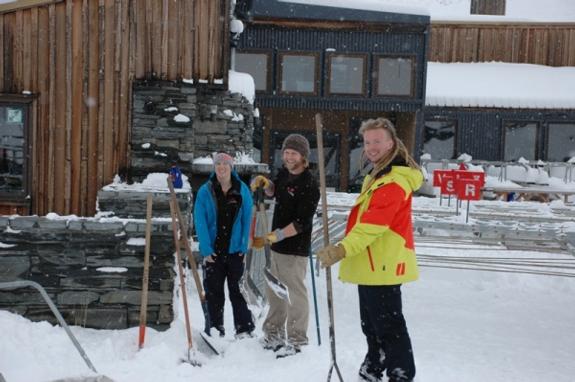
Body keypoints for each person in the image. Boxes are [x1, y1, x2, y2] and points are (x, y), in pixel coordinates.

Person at [317, 118, 423, 382]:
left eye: (377, 141)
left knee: (389, 326)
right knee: (372, 324)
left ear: (391, 143)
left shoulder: (393, 181)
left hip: (383, 264)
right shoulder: (379, 176)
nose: (372, 147)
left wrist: (342, 249)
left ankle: (401, 373)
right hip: (372, 264)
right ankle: (375, 363)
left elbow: (372, 226)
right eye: (367, 142)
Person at [251, 133, 320, 357]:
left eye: (293, 153)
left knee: (294, 294)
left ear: (303, 156)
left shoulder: (309, 184)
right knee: (275, 292)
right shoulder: (284, 175)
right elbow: (275, 190)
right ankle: (273, 333)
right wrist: (266, 184)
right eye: (286, 152)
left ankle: (298, 339)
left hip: (295, 249)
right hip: (278, 247)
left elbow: (301, 224)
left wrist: (274, 236)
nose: (289, 157)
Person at [194, 152, 255, 338]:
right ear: (214, 167)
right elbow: (200, 221)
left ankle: (244, 329)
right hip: (213, 252)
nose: (221, 167)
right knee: (214, 293)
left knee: (238, 291)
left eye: (225, 164)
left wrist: (244, 247)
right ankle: (214, 328)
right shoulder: (206, 191)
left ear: (231, 167)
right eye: (218, 164)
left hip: (235, 251)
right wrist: (205, 249)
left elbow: (247, 220)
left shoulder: (241, 189)